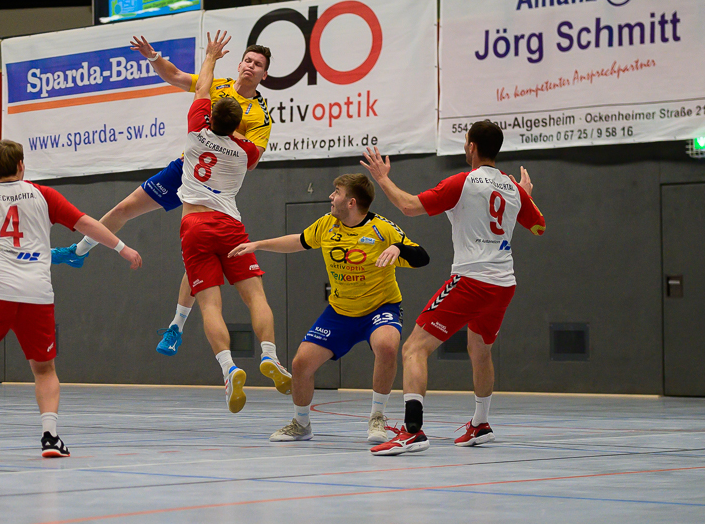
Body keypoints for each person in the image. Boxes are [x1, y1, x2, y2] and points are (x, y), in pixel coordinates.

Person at [0, 140, 142, 462]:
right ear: (21, 164)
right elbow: (86, 224)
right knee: (44, 370)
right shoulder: (43, 195)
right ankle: (50, 437)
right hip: (36, 294)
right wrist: (122, 248)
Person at [51, 34, 273, 358]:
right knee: (124, 208)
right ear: (239, 64)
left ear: (264, 75)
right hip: (185, 168)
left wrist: (223, 133)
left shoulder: (260, 115)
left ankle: (175, 327)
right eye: (248, 60)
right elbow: (175, 76)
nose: (251, 66)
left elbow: (252, 160)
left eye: (258, 64)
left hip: (215, 187)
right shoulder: (217, 84)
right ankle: (79, 251)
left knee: (199, 258)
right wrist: (153, 56)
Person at [362, 121, 545, 456]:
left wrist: (382, 178)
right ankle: (481, 423)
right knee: (480, 349)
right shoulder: (512, 188)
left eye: (465, 142)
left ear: (472, 147)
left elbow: (409, 206)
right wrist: (525, 196)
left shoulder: (462, 182)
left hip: (472, 279)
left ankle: (412, 432)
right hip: (503, 283)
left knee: (414, 348)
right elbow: (538, 227)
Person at [230, 174, 429, 443]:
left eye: (336, 192)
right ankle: (301, 424)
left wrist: (397, 247)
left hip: (380, 307)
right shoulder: (327, 224)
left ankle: (377, 417)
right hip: (340, 311)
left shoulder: (382, 229)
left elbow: (423, 257)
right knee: (301, 364)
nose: (331, 197)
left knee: (387, 346)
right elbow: (299, 241)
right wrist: (258, 245)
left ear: (351, 202)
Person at [175, 31, 290, 413]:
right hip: (229, 225)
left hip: (194, 225)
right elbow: (255, 150)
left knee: (210, 305)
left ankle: (228, 369)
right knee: (256, 296)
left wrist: (210, 56)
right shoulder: (245, 152)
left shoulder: (196, 130)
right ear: (241, 122)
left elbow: (202, 88)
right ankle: (270, 355)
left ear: (210, 115)